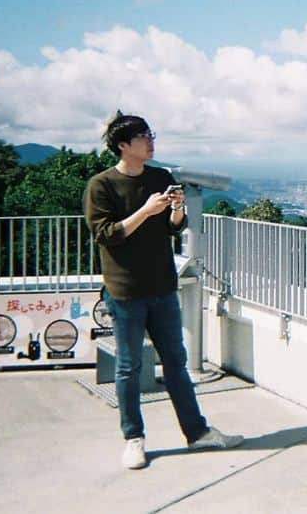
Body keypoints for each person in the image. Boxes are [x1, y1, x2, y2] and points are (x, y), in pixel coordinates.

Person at [85, 111, 243, 470]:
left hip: (162, 286)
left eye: (150, 134)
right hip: (125, 291)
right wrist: (145, 209)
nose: (150, 141)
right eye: (143, 136)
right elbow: (106, 234)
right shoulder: (102, 185)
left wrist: (175, 211)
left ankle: (197, 432)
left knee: (176, 363)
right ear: (123, 145)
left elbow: (172, 228)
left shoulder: (160, 177)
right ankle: (133, 439)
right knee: (129, 366)